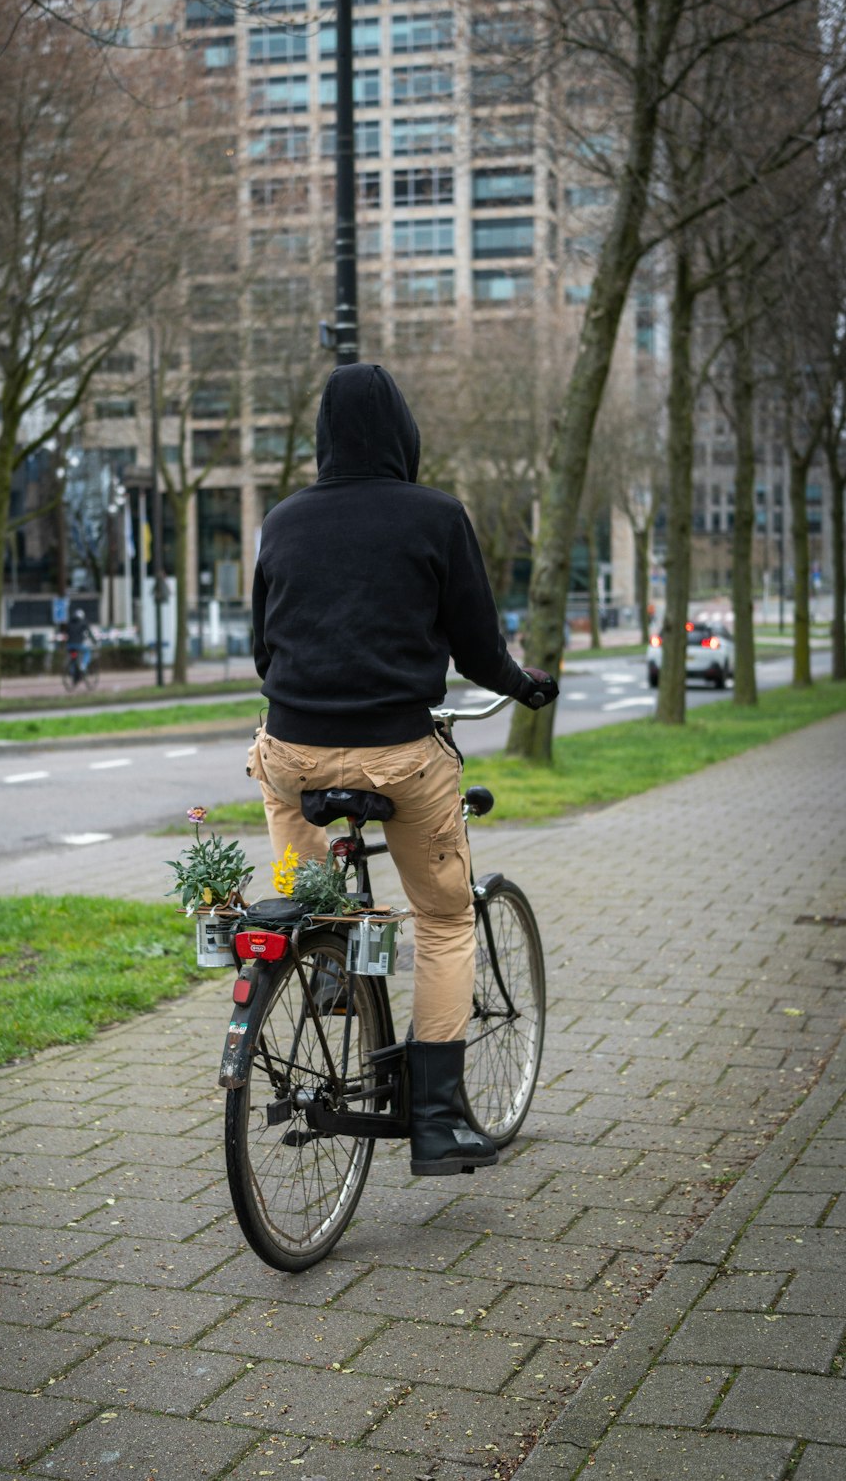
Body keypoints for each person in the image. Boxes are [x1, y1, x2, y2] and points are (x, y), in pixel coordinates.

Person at [247, 363, 558, 1176]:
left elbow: (262, 651)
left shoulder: (281, 521)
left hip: (295, 751)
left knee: (289, 834)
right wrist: (525, 687)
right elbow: (479, 649)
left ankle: (319, 956)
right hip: (398, 755)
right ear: (403, 435)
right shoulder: (436, 515)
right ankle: (437, 1121)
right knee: (447, 919)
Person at [65, 609, 96, 675]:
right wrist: (94, 640)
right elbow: (89, 633)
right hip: (78, 644)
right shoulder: (83, 623)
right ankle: (83, 666)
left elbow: (66, 632)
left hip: (69, 645)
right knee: (87, 651)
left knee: (73, 656)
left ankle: (72, 670)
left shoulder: (69, 622)